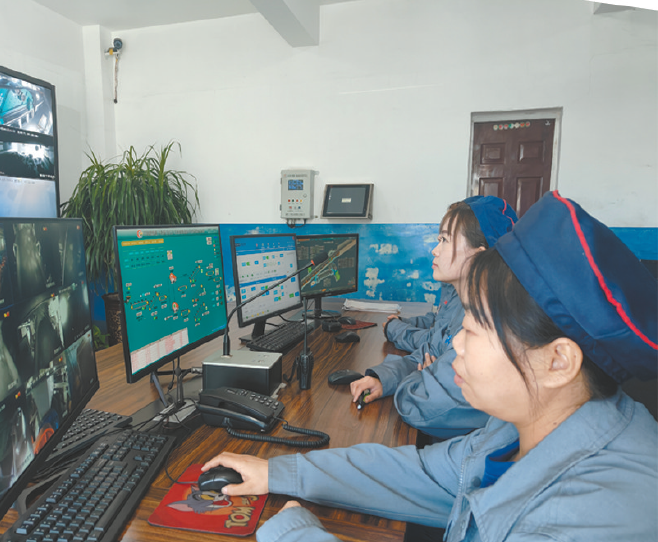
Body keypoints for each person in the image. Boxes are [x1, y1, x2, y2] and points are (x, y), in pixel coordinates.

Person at [202, 191, 658, 541]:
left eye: (475, 328)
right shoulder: (515, 432)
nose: (455, 342)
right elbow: (419, 474)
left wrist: (294, 532)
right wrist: (278, 472)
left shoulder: (594, 515)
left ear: (557, 361)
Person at [350, 195, 517, 439]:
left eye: (444, 240)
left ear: (478, 256)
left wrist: (424, 375)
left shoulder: (486, 324)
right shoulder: (465, 305)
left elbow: (419, 405)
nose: (434, 250)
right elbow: (430, 350)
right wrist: (383, 379)